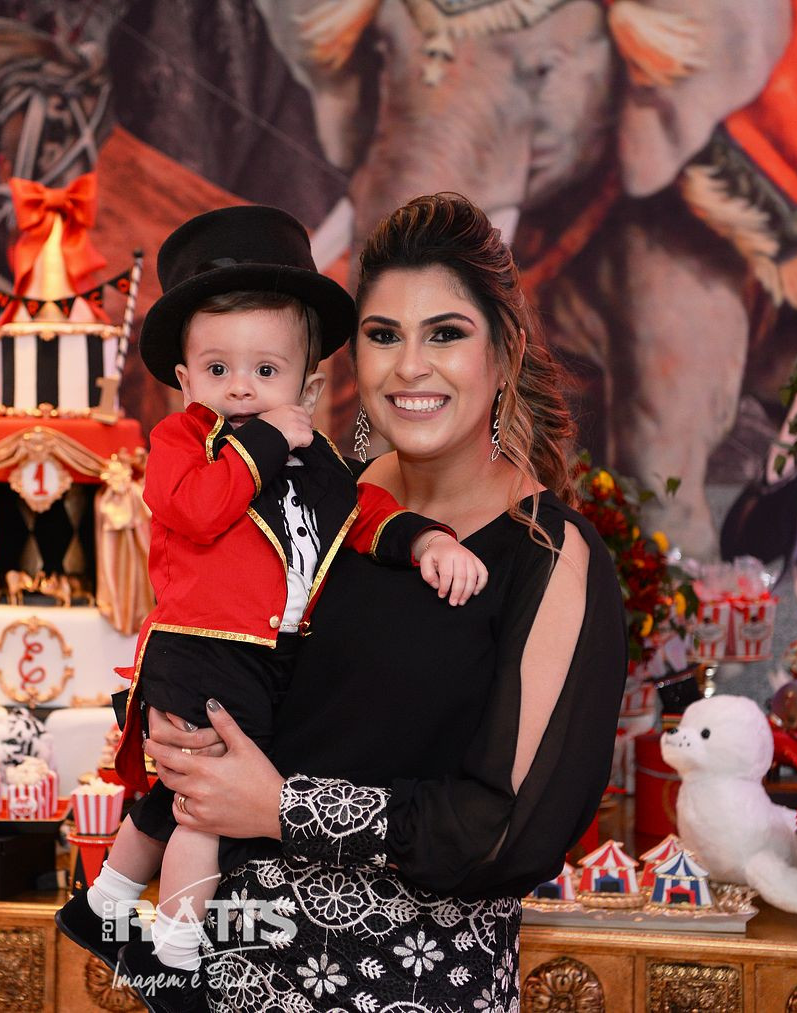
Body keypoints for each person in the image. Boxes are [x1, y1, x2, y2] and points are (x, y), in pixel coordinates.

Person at [139, 193, 628, 1011]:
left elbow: (504, 830)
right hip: (232, 975)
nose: (409, 367)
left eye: (446, 333)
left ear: (504, 353)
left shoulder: (550, 555)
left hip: (413, 987)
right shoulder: (314, 500)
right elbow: (222, 647)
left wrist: (283, 808)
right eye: (383, 335)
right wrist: (178, 725)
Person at [55, 205, 487, 1007]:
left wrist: (427, 539)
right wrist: (261, 442)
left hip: (268, 657)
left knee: (177, 790)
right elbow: (195, 509)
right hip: (201, 644)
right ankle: (176, 952)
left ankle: (105, 901)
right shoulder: (184, 445)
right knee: (206, 809)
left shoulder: (319, 464)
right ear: (185, 381)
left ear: (308, 386)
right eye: (218, 369)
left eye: (265, 371)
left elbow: (361, 517)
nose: (242, 388)